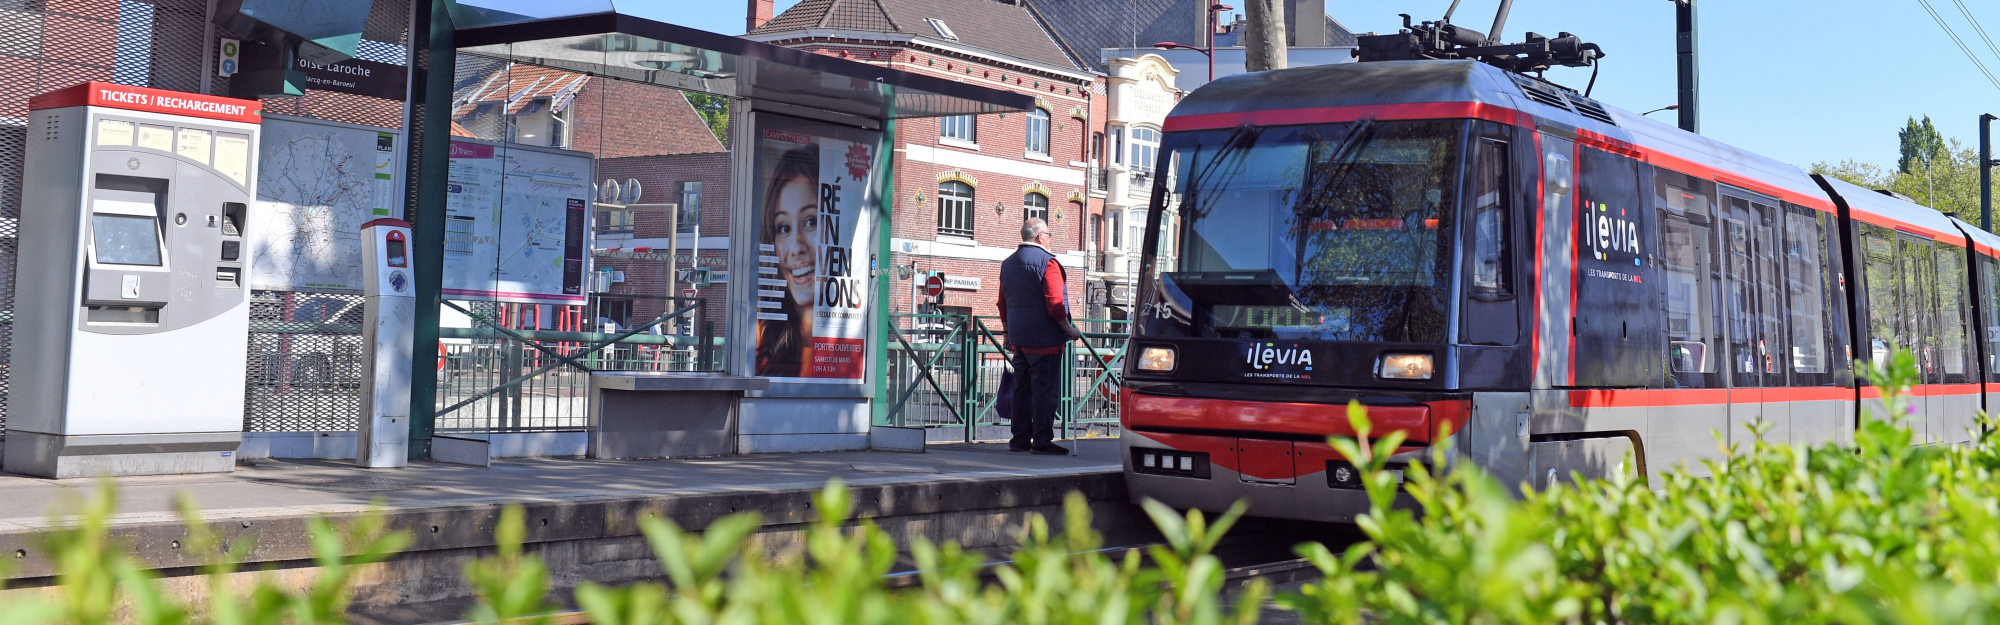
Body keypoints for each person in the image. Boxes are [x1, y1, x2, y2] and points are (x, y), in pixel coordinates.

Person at [997, 218, 1083, 454]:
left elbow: (1002, 303)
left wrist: (1006, 333)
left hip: (1019, 338)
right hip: (1045, 340)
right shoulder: (1049, 263)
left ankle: (1019, 439)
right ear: (1040, 237)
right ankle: (1042, 440)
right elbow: (1055, 304)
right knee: (1044, 391)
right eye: (1049, 234)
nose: (1050, 238)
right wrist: (1069, 330)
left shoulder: (1008, 264)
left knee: (1022, 390)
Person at [754, 146, 819, 377]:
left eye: (810, 221)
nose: (796, 248)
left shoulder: (848, 348)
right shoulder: (759, 338)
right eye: (784, 227)